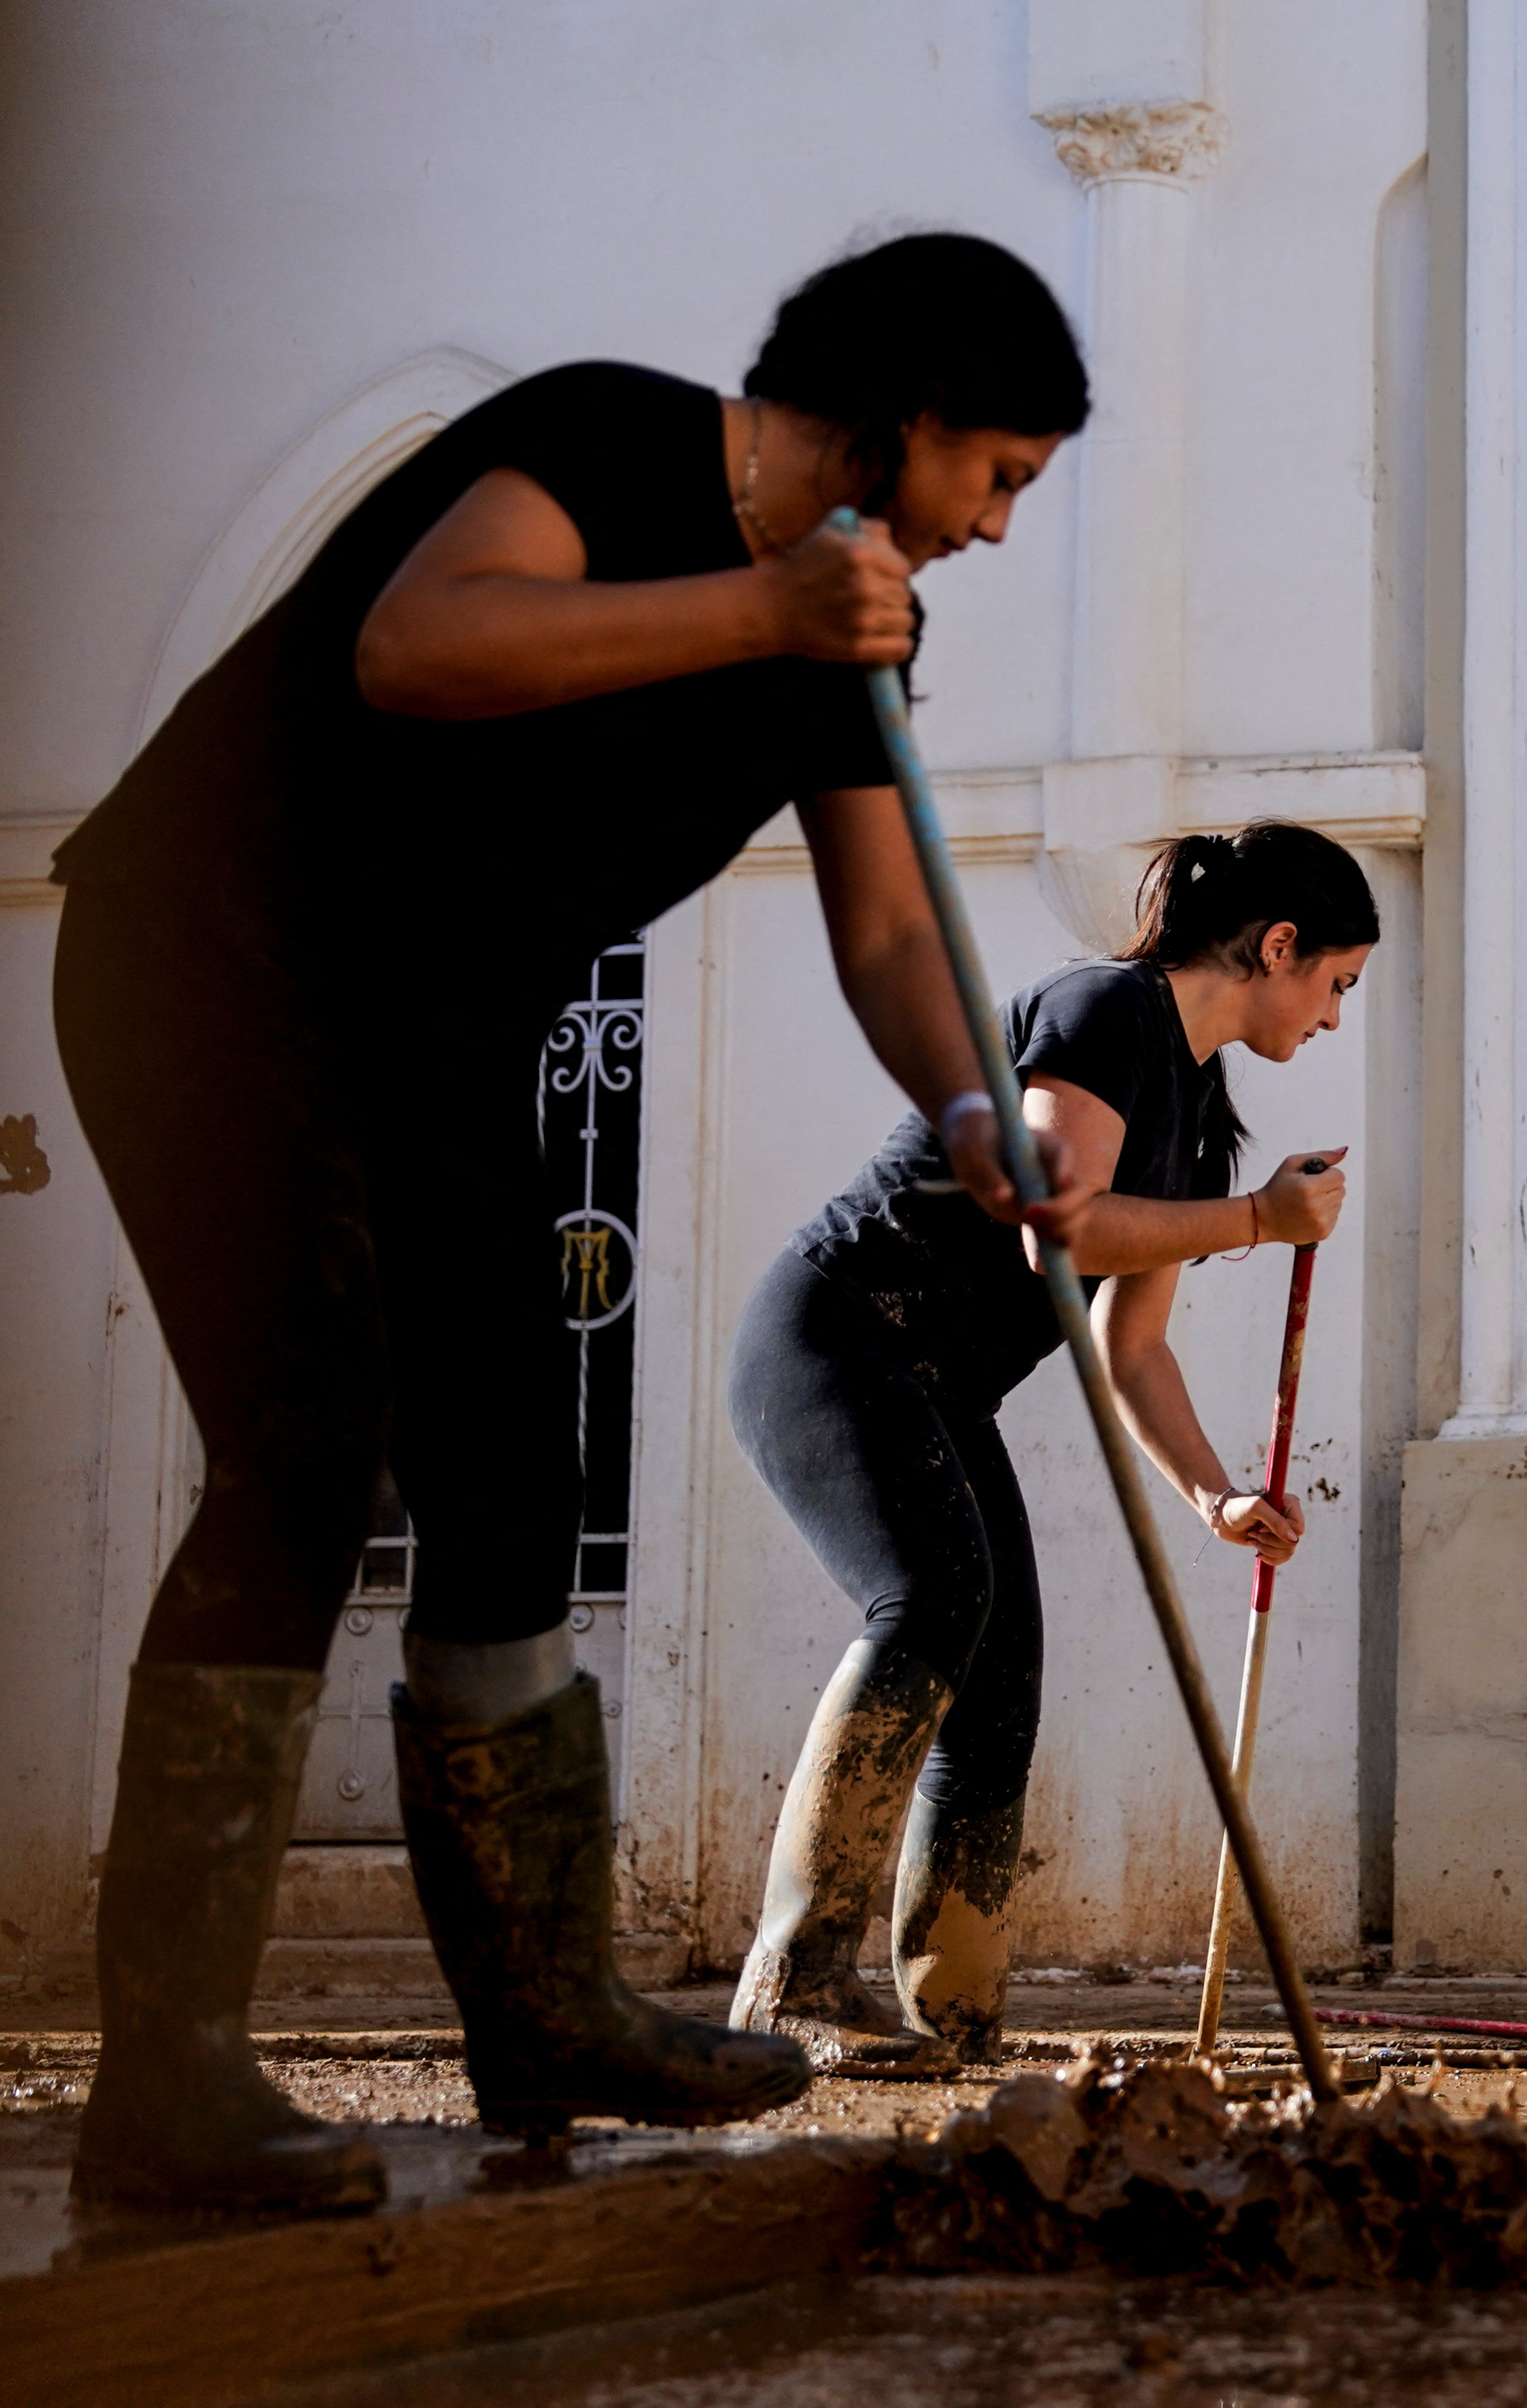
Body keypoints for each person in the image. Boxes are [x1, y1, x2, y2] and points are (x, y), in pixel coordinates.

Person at [49, 232, 1093, 2211]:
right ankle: (162, 2087)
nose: (996, 525)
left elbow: (885, 926)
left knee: (514, 1480)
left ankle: (544, 2009)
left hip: (440, 1038)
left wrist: (973, 1105)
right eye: (999, 474)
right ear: (900, 421)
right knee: (304, 1456)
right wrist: (764, 604)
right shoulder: (603, 442)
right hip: (215, 953)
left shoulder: (843, 640)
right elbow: (421, 646)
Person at [726, 825, 1369, 2070]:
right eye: (1336, 981)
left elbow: (1132, 1352)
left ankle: (949, 2017)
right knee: (933, 1600)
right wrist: (1257, 1221)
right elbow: (1059, 1231)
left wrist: (1218, 1496)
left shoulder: (1202, 1115)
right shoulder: (1101, 1012)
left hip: (943, 1390)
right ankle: (797, 1981)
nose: (1335, 1017)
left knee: (1002, 1669)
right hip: (838, 1337)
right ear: (1278, 947)